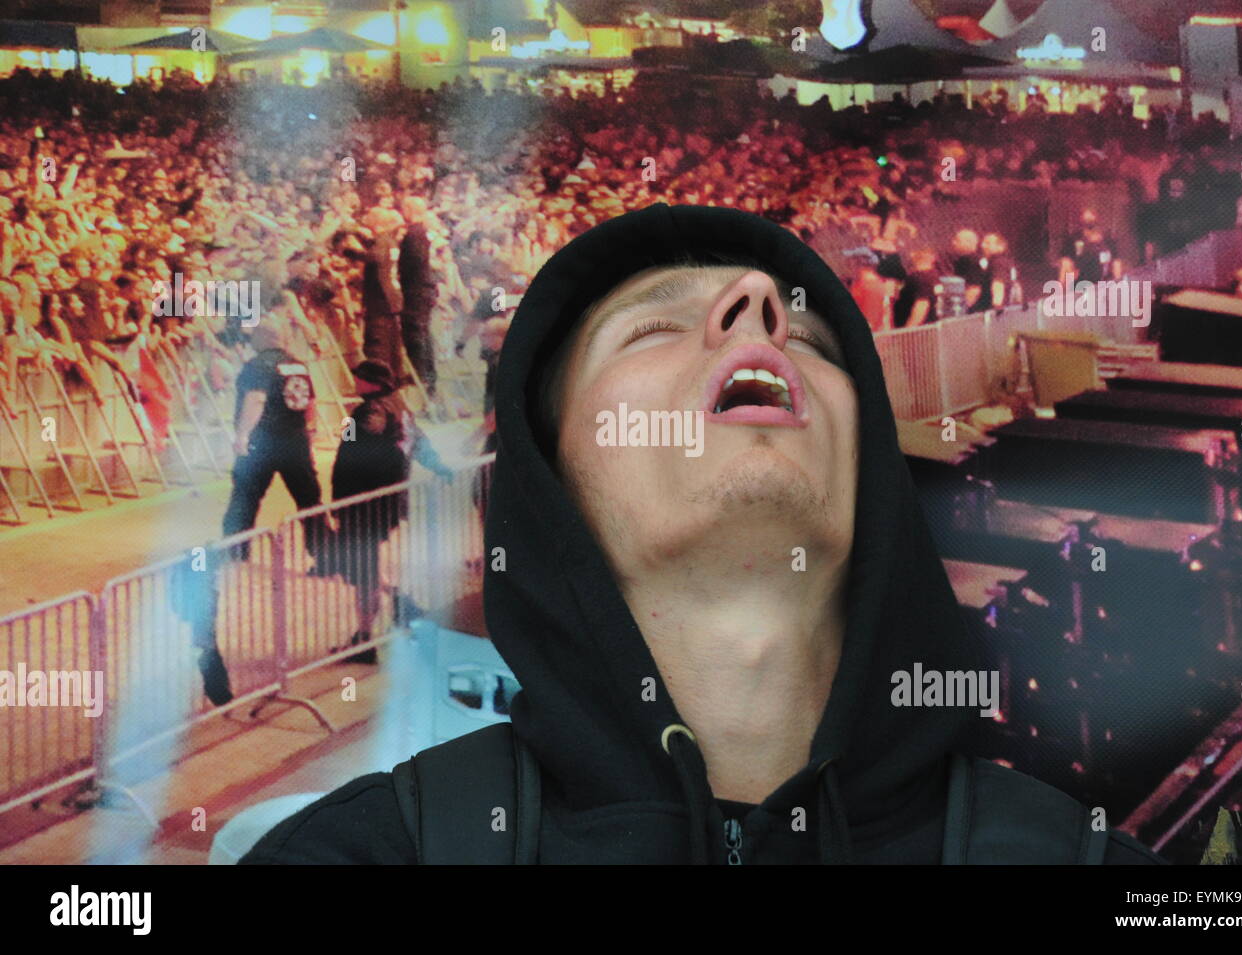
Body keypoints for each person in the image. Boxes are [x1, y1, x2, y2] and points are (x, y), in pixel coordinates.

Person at [240, 203, 1166, 864]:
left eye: (805, 332)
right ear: (549, 481)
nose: (761, 302)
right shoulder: (366, 849)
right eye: (652, 328)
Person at [320, 359, 455, 664]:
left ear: (373, 383)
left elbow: (365, 448)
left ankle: (366, 638)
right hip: (386, 503)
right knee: (365, 565)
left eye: (360, 378)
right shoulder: (401, 407)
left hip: (363, 504)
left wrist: (352, 436)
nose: (355, 382)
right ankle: (399, 605)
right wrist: (439, 467)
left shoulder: (372, 411)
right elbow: (419, 444)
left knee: (362, 570)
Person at [220, 317, 326, 559]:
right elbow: (311, 402)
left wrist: (243, 435)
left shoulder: (257, 365)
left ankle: (236, 552)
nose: (250, 340)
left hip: (262, 443)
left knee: (245, 499)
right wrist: (310, 430)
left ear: (264, 337)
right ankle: (324, 554)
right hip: (296, 441)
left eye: (254, 335)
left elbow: (256, 399)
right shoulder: (299, 365)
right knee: (309, 500)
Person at [397, 196, 439, 399]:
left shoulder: (414, 234)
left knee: (417, 332)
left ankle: (421, 373)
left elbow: (414, 262)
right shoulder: (420, 233)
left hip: (416, 290)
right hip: (421, 289)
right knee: (423, 332)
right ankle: (426, 375)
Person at [359, 207, 406, 381]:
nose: (366, 217)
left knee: (378, 346)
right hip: (392, 299)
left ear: (378, 221)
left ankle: (380, 382)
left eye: (369, 215)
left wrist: (350, 252)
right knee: (392, 344)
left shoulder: (381, 242)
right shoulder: (391, 241)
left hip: (380, 301)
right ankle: (396, 378)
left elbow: (375, 258)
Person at [892, 248, 941, 329]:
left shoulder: (920, 278)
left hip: (918, 332)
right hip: (930, 327)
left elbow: (922, 305)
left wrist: (907, 331)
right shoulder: (934, 276)